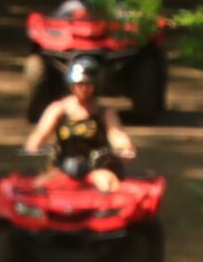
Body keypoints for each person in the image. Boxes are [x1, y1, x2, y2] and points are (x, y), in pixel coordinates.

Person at [24, 56, 136, 190]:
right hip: (63, 167)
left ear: (95, 85)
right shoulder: (58, 109)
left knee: (107, 185)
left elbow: (117, 135)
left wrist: (125, 148)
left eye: (87, 84)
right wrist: (34, 145)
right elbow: (41, 133)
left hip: (96, 167)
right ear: (71, 84)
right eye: (78, 84)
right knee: (38, 186)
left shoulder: (104, 112)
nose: (83, 88)